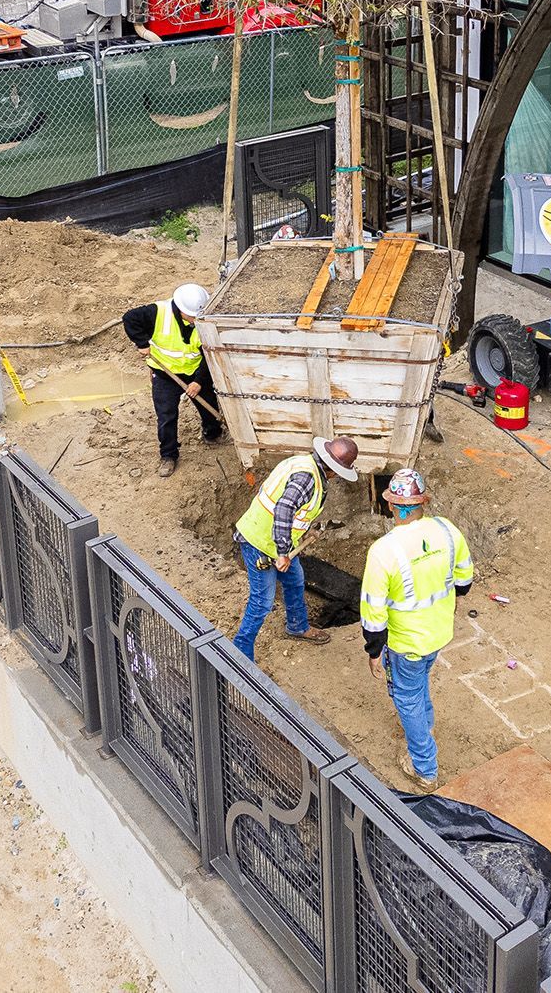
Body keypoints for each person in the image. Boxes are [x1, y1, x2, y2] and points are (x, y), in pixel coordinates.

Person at [360, 468, 474, 791]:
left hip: (406, 642)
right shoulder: (447, 530)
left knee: (406, 696)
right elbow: (464, 577)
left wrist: (374, 651)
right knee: (419, 683)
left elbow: (373, 611)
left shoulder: (384, 551)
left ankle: (424, 767)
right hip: (438, 633)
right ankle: (426, 727)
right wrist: (455, 598)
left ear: (393, 506)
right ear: (422, 502)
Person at [233, 437, 360, 661]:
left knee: (295, 579)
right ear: (332, 468)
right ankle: (240, 656)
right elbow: (283, 510)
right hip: (260, 541)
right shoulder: (307, 478)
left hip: (278, 541)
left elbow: (296, 511)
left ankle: (297, 626)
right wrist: (283, 552)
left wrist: (304, 532)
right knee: (262, 601)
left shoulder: (307, 466)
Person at [122, 283, 220, 477]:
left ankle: (213, 433)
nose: (196, 320)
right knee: (166, 416)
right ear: (182, 310)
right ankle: (168, 455)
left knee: (208, 406)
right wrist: (141, 343)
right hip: (165, 374)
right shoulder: (157, 313)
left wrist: (198, 382)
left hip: (194, 373)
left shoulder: (204, 321)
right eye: (193, 316)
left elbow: (209, 358)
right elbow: (129, 318)